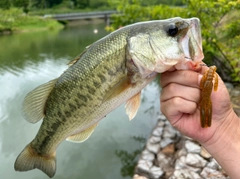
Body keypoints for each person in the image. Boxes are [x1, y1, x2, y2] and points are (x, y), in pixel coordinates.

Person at [160, 65, 240, 179]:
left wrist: (223, 124)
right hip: (205, 99)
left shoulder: (211, 77)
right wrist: (222, 128)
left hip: (206, 99)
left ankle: (205, 122)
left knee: (206, 108)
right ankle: (205, 123)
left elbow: (212, 83)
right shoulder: (210, 76)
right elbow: (212, 83)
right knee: (205, 108)